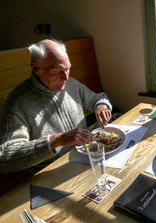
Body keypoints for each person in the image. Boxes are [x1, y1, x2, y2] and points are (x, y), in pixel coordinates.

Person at [0, 39, 112, 174]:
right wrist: (55, 140)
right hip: (50, 171)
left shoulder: (71, 84)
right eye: (57, 71)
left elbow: (98, 98)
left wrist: (101, 106)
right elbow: (5, 158)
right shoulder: (18, 102)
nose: (66, 77)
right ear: (36, 68)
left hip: (84, 157)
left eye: (68, 68)